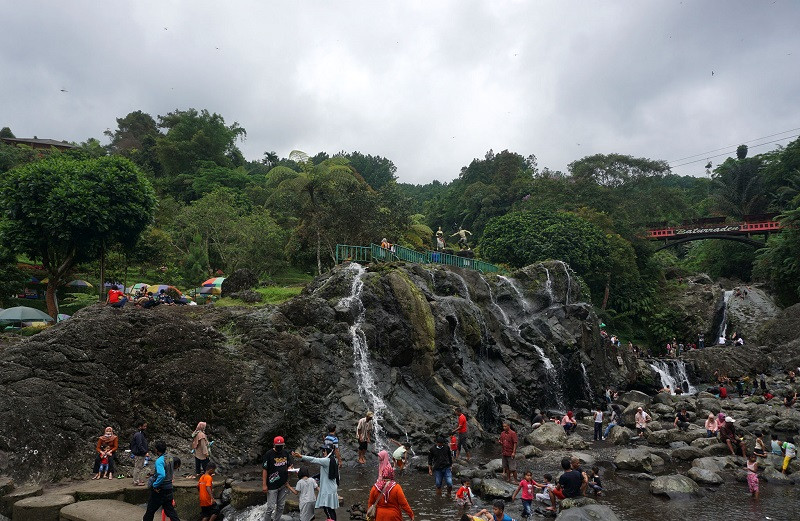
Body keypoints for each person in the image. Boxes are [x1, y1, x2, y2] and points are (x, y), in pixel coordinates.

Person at [293, 446, 339, 521]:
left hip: (327, 490)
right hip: (332, 488)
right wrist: (312, 477)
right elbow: (326, 475)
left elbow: (313, 459)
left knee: (327, 509)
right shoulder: (334, 460)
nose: (323, 452)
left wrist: (301, 456)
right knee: (331, 510)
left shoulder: (326, 461)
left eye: (324, 451)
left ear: (329, 452)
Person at [143, 440, 180, 521]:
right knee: (170, 511)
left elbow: (162, 475)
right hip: (169, 488)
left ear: (156, 450)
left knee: (150, 510)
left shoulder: (159, 461)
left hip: (160, 489)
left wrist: (155, 485)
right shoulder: (170, 458)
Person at [262, 436, 297, 521]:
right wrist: (264, 484)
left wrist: (290, 468)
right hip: (272, 484)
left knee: (281, 506)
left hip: (283, 484)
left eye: (281, 446)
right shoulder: (269, 454)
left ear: (283, 445)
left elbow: (289, 465)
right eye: (278, 446)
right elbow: (265, 469)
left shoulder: (285, 453)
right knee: (270, 507)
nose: (279, 448)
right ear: (274, 445)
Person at [131, 420, 149, 486]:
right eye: (144, 426)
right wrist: (145, 452)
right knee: (138, 467)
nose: (145, 428)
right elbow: (139, 445)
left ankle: (138, 479)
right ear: (140, 426)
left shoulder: (141, 434)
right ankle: (136, 481)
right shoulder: (138, 434)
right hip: (139, 454)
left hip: (141, 453)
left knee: (140, 467)